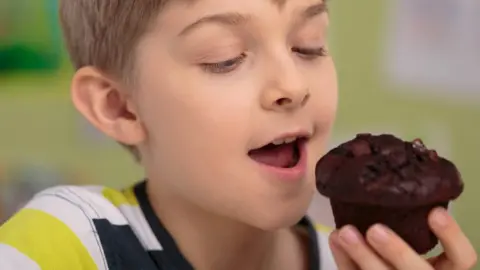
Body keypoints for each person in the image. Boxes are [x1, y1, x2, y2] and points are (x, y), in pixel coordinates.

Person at [0, 0, 477, 269]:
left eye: (309, 46)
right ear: (118, 105)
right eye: (224, 57)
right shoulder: (66, 243)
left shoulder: (358, 260)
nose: (291, 85)